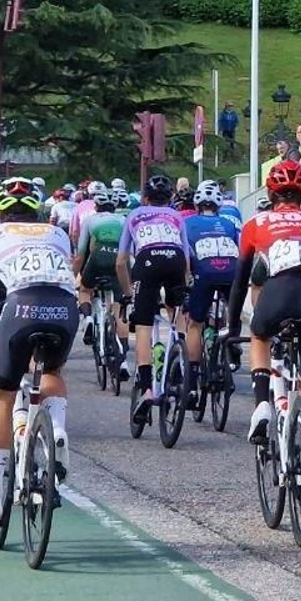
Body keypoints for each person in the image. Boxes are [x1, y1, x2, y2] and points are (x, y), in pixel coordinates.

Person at [227, 159, 301, 518]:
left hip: (279, 293)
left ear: (270, 193)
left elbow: (241, 282)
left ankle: (261, 403)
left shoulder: (255, 223)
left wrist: (232, 328)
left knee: (260, 336)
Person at [0, 178, 78, 523]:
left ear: (0, 211)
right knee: (50, 372)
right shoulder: (57, 234)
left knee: (2, 396)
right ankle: (56, 429)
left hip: (22, 306)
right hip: (64, 306)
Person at [115, 174, 189, 420]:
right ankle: (181, 359)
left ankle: (147, 387)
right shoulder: (176, 216)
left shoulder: (134, 215)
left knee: (144, 325)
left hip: (146, 262)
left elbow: (121, 261)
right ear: (170, 199)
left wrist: (128, 294)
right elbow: (186, 259)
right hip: (175, 260)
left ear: (145, 199)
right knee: (175, 309)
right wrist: (184, 285)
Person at [182, 180, 239, 394]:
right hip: (230, 273)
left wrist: (185, 283)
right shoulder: (229, 224)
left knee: (195, 324)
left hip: (204, 273)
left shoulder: (187, 224)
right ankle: (232, 344)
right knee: (233, 316)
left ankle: (192, 379)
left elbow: (185, 257)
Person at [73, 184, 128, 373]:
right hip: (118, 261)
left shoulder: (90, 220)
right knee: (119, 309)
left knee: (85, 290)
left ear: (95, 206)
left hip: (97, 257)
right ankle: (123, 359)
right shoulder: (123, 220)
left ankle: (88, 318)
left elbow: (80, 254)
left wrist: (74, 276)